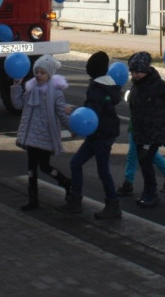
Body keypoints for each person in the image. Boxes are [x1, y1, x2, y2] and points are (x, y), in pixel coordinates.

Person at [58, 52, 123, 220]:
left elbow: (92, 114)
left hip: (101, 134)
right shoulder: (108, 86)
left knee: (100, 170)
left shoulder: (97, 89)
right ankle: (76, 200)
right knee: (77, 163)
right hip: (102, 133)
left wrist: (73, 112)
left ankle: (112, 204)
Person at [11, 54, 72, 211]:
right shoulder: (31, 89)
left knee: (44, 167)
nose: (38, 75)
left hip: (45, 136)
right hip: (31, 136)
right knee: (31, 168)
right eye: (37, 72)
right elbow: (18, 105)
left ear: (50, 74)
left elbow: (61, 113)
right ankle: (33, 199)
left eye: (42, 73)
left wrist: (72, 127)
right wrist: (16, 87)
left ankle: (65, 182)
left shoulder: (56, 93)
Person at [125, 51, 165, 209]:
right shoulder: (137, 84)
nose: (134, 75)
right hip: (139, 131)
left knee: (146, 163)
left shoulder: (157, 84)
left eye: (137, 72)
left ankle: (151, 194)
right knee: (144, 163)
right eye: (132, 72)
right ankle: (149, 192)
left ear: (145, 70)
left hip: (152, 132)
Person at [116, 125, 165, 196]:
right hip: (141, 128)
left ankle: (129, 182)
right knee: (149, 153)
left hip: (143, 129)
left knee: (136, 154)